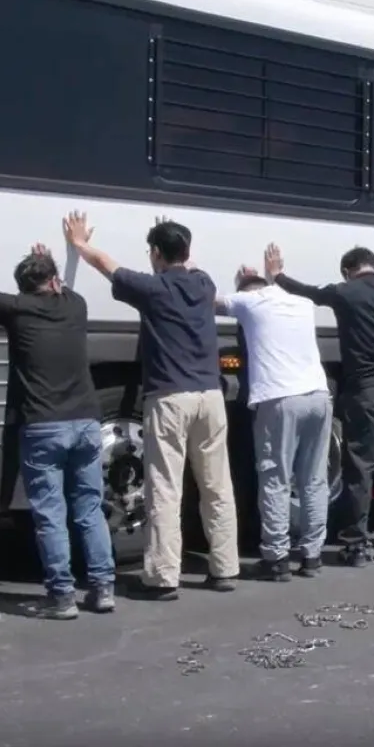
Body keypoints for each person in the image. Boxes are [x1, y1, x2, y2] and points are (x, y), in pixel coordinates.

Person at [68, 212, 239, 598]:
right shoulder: (203, 283)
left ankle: (163, 577)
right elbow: (189, 264)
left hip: (170, 396)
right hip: (211, 397)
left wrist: (80, 245)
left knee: (164, 487)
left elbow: (107, 266)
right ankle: (225, 569)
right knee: (217, 485)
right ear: (188, 251)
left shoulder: (153, 288)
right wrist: (173, 240)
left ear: (157, 253)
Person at [0, 237, 114, 618]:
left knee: (50, 513)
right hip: (86, 422)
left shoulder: (15, 309)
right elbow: (60, 285)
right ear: (53, 281)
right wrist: (48, 256)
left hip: (44, 426)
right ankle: (102, 588)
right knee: (89, 509)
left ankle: (62, 597)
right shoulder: (76, 306)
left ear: (23, 286)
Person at [270, 244, 374, 566]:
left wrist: (276, 275)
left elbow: (307, 292)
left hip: (364, 392)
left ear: (347, 270)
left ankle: (356, 546)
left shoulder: (344, 292)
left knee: (360, 470)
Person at [216, 247, 332, 581]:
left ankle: (277, 557)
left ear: (243, 290)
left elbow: (209, 301)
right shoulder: (299, 302)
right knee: (313, 480)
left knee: (275, 478)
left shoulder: (248, 302)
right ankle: (312, 555)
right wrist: (273, 274)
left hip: (280, 400)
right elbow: (273, 294)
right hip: (319, 396)